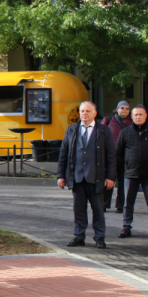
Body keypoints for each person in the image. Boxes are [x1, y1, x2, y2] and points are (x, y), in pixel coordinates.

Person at [56, 101, 116, 248]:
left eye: (88, 111)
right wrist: (61, 176)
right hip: (77, 177)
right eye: (82, 111)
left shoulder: (104, 131)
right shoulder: (71, 130)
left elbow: (111, 156)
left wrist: (110, 177)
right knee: (79, 210)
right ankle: (79, 236)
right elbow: (63, 154)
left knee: (98, 210)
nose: (84, 114)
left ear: (95, 114)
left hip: (97, 177)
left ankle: (99, 237)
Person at [116, 105, 148, 239]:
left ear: (146, 116)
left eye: (140, 114)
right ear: (132, 117)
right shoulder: (125, 132)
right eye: (135, 115)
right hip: (130, 172)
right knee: (127, 203)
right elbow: (118, 153)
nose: (138, 117)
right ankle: (126, 227)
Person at [102, 101, 133, 212]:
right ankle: (104, 204)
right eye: (122, 108)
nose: (124, 110)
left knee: (123, 181)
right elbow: (99, 134)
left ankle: (121, 206)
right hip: (111, 155)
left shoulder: (132, 120)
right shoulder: (109, 119)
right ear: (117, 109)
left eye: (127, 108)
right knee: (108, 180)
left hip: (126, 156)